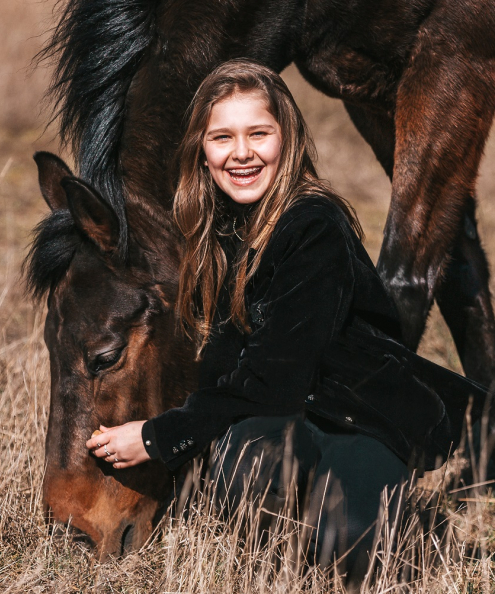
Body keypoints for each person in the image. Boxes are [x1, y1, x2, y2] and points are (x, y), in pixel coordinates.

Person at [86, 60, 487, 580]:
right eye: (222, 137)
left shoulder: (313, 226)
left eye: (259, 133)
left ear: (288, 140)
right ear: (202, 153)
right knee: (242, 467)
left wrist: (158, 438)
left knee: (353, 554)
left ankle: (401, 529)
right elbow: (223, 371)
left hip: (355, 418)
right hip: (291, 417)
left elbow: (275, 378)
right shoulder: (220, 232)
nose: (242, 153)